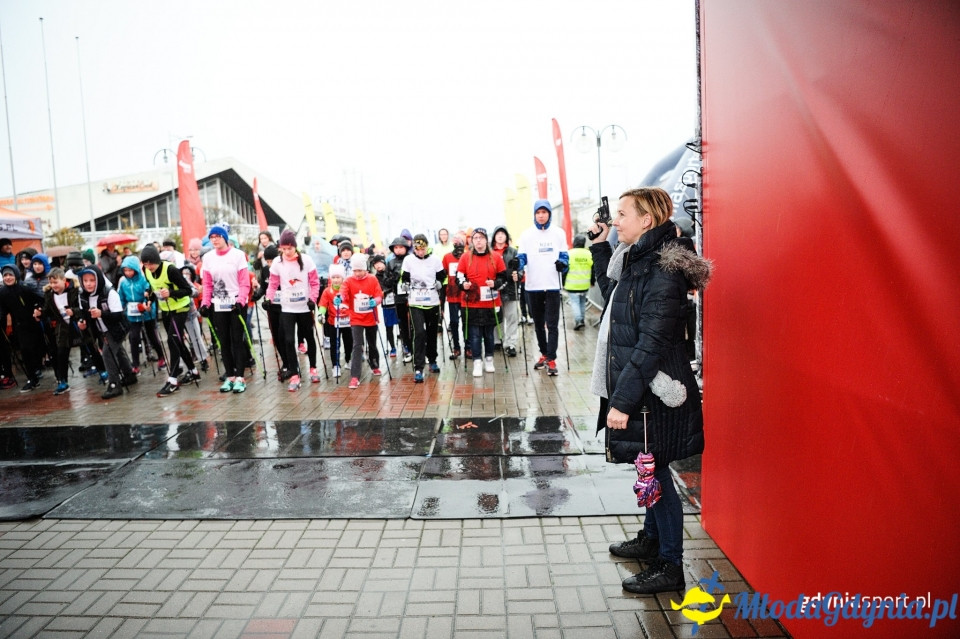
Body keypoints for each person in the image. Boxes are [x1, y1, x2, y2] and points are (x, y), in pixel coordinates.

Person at [589, 187, 712, 595]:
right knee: (648, 469)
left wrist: (621, 401)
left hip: (650, 396)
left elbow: (651, 342)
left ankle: (670, 564)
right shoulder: (636, 260)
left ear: (647, 221)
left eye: (623, 214)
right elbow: (617, 311)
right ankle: (651, 538)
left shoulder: (662, 270)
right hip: (641, 390)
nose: (616, 220)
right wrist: (600, 250)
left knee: (654, 470)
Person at [516, 199, 568, 376]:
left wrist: (563, 264)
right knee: (538, 324)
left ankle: (552, 359)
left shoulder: (559, 233)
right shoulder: (526, 234)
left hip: (552, 285)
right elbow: (521, 257)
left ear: (549, 214)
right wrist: (518, 265)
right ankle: (544, 353)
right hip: (533, 286)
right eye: (538, 212)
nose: (541, 215)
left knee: (552, 325)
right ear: (534, 214)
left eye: (544, 212)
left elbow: (564, 257)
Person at [141, 244, 201, 397]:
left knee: (172, 341)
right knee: (178, 341)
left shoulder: (170, 270)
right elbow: (153, 288)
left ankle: (173, 380)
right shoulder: (147, 271)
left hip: (180, 308)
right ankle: (193, 372)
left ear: (156, 260)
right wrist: (149, 299)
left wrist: (171, 292)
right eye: (145, 264)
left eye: (150, 263)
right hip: (166, 310)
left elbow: (188, 290)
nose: (148, 266)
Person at [266, 229, 321, 390]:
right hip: (287, 307)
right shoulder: (277, 262)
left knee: (309, 338)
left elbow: (315, 282)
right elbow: (273, 284)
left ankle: (313, 368)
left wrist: (313, 299)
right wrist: (268, 299)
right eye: (284, 249)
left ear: (295, 247)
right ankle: (294, 373)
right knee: (288, 340)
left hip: (304, 307)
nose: (287, 252)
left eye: (290, 248)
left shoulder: (307, 260)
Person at [200, 225, 251, 394]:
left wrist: (241, 301)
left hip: (236, 303)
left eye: (217, 236)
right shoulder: (208, 258)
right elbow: (207, 284)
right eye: (212, 237)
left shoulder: (237, 255)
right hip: (218, 304)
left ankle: (240, 378)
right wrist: (205, 304)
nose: (214, 239)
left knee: (237, 340)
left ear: (225, 238)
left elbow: (244, 282)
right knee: (223, 341)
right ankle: (229, 376)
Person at [77, 267, 136, 400]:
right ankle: (129, 375)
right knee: (118, 351)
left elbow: (118, 315)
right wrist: (82, 322)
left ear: (99, 279)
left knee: (108, 353)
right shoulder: (82, 295)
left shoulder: (109, 293)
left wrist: (101, 314)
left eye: (92, 280)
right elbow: (83, 313)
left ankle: (115, 384)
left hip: (117, 328)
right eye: (85, 280)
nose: (88, 283)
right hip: (100, 330)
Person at [458, 228, 507, 378]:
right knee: (474, 335)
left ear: (486, 240)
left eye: (481, 238)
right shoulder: (466, 257)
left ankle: (489, 359)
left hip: (490, 302)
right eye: (475, 238)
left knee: (489, 334)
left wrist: (495, 283)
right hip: (472, 303)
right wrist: (463, 284)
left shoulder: (496, 257)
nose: (478, 241)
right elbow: (459, 276)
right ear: (472, 241)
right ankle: (477, 361)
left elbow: (503, 278)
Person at [401, 233, 445, 382]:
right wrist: (405, 284)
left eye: (423, 248)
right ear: (414, 248)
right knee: (419, 333)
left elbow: (442, 276)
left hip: (432, 301)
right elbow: (404, 277)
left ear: (427, 247)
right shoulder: (408, 260)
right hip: (416, 302)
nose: (420, 252)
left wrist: (440, 283)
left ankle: (432, 360)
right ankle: (418, 368)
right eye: (418, 249)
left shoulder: (435, 260)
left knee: (432, 333)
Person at [33, 267, 80, 395]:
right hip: (62, 326)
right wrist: (40, 313)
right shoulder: (49, 294)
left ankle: (103, 371)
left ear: (64, 280)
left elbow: (81, 307)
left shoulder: (74, 290)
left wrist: (74, 312)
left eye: (56, 282)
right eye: (51, 283)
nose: (53, 285)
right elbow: (47, 310)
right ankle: (63, 381)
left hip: (78, 323)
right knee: (61, 353)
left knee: (90, 348)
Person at [338, 253, 382, 389]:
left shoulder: (372, 279)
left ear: (365, 269)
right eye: (355, 270)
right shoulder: (348, 281)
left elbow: (379, 295)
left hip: (370, 317)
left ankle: (374, 365)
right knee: (357, 345)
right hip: (356, 318)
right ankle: (355, 376)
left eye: (360, 270)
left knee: (372, 343)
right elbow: (343, 292)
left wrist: (375, 301)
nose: (357, 273)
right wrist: (340, 297)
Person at [0, 264, 45, 391]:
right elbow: (3, 310)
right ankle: (32, 379)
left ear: (16, 275)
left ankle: (39, 370)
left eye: (10, 275)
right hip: (19, 325)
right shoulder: (2, 292)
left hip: (33, 321)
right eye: (5, 275)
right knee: (25, 350)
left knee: (37, 349)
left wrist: (38, 309)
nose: (8, 278)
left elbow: (40, 299)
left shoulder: (25, 287)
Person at [118, 255, 163, 376]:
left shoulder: (143, 280)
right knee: (133, 337)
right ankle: (136, 364)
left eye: (130, 270)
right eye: (125, 270)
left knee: (152, 336)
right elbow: (121, 297)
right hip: (132, 314)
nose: (128, 273)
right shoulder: (123, 282)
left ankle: (161, 357)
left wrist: (146, 305)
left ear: (136, 269)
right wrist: (120, 308)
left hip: (146, 313)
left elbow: (149, 295)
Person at [318, 263, 352, 378]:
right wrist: (321, 314)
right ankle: (335, 365)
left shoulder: (347, 289)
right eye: (333, 277)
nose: (336, 280)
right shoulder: (327, 291)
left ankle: (348, 359)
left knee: (349, 342)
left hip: (347, 321)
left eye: (338, 277)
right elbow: (323, 305)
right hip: (333, 322)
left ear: (343, 278)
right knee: (334, 344)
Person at [491, 226, 519, 357]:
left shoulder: (513, 252)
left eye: (503, 233)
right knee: (497, 317)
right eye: (498, 234)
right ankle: (497, 340)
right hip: (495, 289)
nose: (500, 236)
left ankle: (511, 343)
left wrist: (518, 274)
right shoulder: (490, 252)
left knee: (512, 317)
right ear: (494, 237)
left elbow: (520, 267)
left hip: (510, 289)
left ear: (507, 236)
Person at [386, 237, 412, 362]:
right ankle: (407, 347)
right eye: (396, 248)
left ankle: (418, 347)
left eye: (401, 247)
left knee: (414, 323)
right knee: (402, 324)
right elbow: (386, 280)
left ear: (406, 248)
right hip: (399, 297)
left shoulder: (412, 259)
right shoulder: (390, 262)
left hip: (413, 296)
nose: (398, 250)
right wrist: (392, 279)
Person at [441, 234, 466, 359]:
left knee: (467, 322)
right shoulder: (447, 257)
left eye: (461, 244)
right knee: (454, 323)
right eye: (456, 244)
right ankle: (456, 347)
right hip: (452, 295)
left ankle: (469, 348)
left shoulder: (468, 256)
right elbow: (442, 274)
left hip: (466, 295)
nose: (458, 247)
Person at [564, 234, 594, 330]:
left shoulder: (569, 254)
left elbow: (564, 269)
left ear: (575, 242)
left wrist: (563, 282)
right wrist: (592, 282)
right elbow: (593, 269)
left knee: (575, 303)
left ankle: (578, 320)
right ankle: (582, 319)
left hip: (572, 284)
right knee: (581, 302)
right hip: (584, 284)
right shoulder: (589, 254)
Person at [372, 255, 399, 357]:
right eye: (375, 264)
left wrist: (387, 291)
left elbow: (395, 284)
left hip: (396, 302)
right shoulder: (375, 277)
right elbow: (378, 290)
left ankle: (406, 345)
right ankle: (392, 347)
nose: (378, 265)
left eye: (379, 263)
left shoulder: (391, 272)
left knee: (402, 325)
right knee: (389, 327)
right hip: (386, 304)